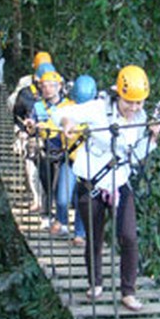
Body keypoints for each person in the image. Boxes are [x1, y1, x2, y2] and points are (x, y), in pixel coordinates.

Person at [53, 65, 160, 311]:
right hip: (91, 182)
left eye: (139, 103)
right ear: (118, 95)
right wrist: (67, 120)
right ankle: (96, 283)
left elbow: (135, 157)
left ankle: (128, 292)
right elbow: (60, 114)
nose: (134, 108)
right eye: (129, 102)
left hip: (119, 183)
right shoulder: (98, 108)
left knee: (129, 236)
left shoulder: (142, 118)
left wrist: (152, 139)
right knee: (94, 236)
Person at [26, 69, 73, 232]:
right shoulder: (38, 107)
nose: (47, 89)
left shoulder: (69, 106)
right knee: (46, 183)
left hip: (64, 151)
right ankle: (47, 216)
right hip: (44, 150)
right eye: (44, 86)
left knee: (59, 187)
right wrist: (31, 127)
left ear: (59, 86)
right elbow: (31, 131)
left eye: (51, 86)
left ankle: (62, 220)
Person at [53, 74, 98, 246]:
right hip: (71, 160)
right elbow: (54, 121)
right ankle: (62, 220)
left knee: (83, 200)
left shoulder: (98, 111)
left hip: (89, 164)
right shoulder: (67, 108)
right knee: (63, 197)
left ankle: (80, 234)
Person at [8, 52, 53, 212]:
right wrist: (19, 132)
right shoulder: (25, 88)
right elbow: (16, 110)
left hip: (51, 135)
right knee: (31, 164)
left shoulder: (56, 85)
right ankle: (37, 199)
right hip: (30, 134)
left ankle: (47, 199)